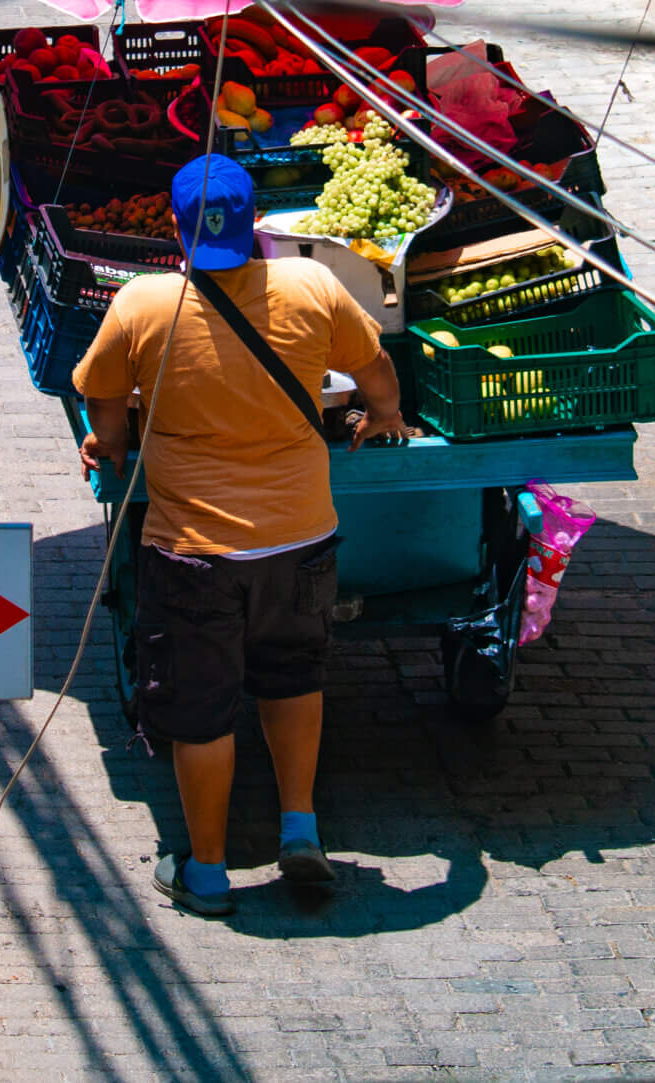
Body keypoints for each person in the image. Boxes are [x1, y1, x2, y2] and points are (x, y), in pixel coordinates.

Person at [73, 152, 418, 917]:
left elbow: (102, 398)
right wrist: (386, 416)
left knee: (201, 712)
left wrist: (113, 441)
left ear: (175, 227)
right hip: (299, 539)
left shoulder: (143, 303)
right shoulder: (312, 285)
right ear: (257, 221)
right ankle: (301, 826)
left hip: (194, 551)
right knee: (293, 678)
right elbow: (375, 370)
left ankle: (207, 874)